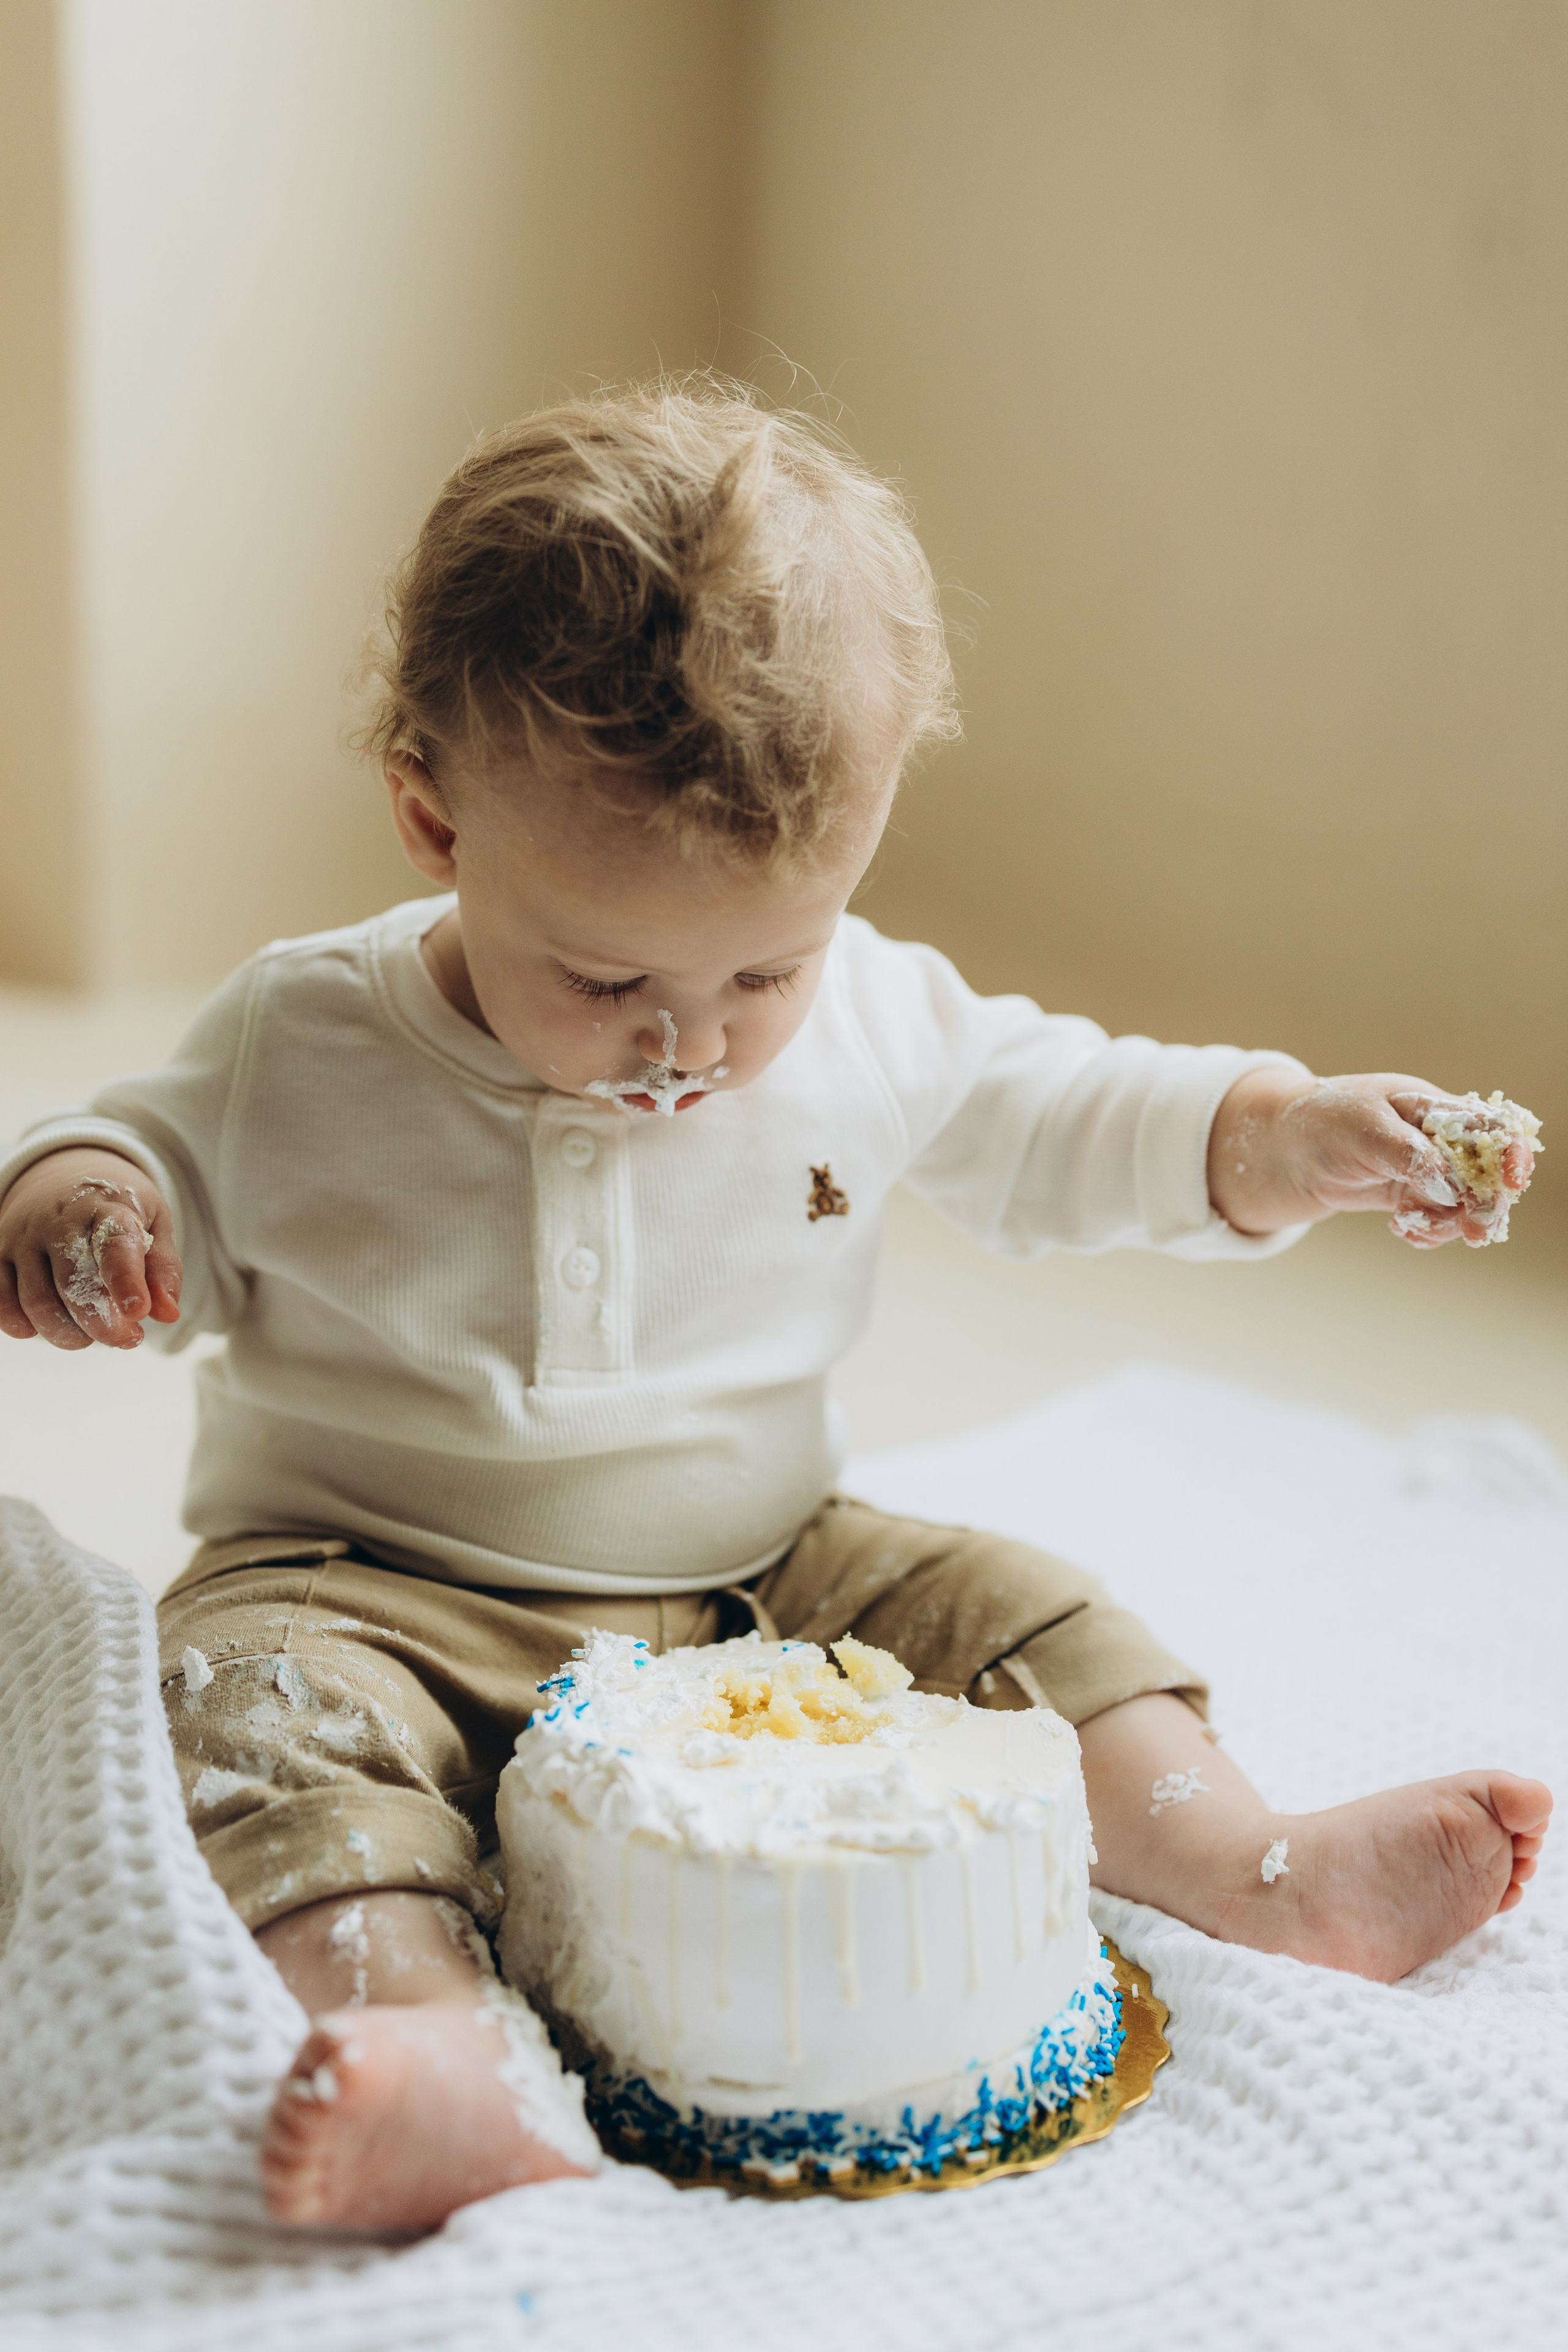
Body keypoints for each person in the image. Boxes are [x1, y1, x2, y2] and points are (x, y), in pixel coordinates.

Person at [0, 378, 1549, 2236]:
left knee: (1023, 1610)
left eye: (763, 973)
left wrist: (1273, 1135)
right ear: (431, 817)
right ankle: (416, 2028)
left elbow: (1065, 1112)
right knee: (235, 1717)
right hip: (370, 1582)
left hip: (767, 1576)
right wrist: (84, 1207)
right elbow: (138, 1150)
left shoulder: (870, 1014)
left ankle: (1251, 1863)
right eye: (603, 981)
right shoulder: (302, 1036)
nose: (688, 1046)